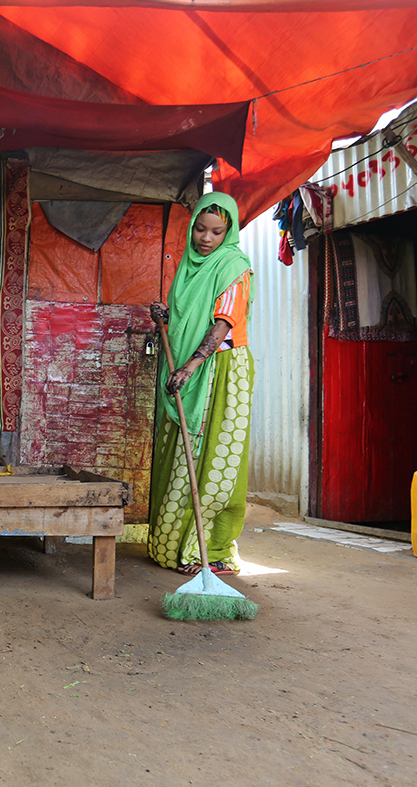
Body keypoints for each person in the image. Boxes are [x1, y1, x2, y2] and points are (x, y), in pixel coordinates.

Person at [148, 191, 253, 575]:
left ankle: (210, 550)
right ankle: (174, 546)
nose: (206, 239)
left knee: (214, 458)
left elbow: (224, 322)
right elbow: (185, 317)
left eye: (216, 232)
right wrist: (165, 314)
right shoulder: (190, 267)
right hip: (190, 369)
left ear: (229, 232)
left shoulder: (232, 265)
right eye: (200, 230)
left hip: (220, 369)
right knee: (182, 453)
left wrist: (192, 365)